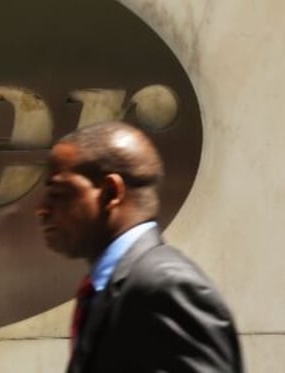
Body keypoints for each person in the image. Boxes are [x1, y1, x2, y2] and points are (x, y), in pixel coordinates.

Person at [36, 121, 243, 372]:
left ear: (111, 192)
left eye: (58, 194)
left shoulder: (167, 286)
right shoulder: (112, 288)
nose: (42, 209)